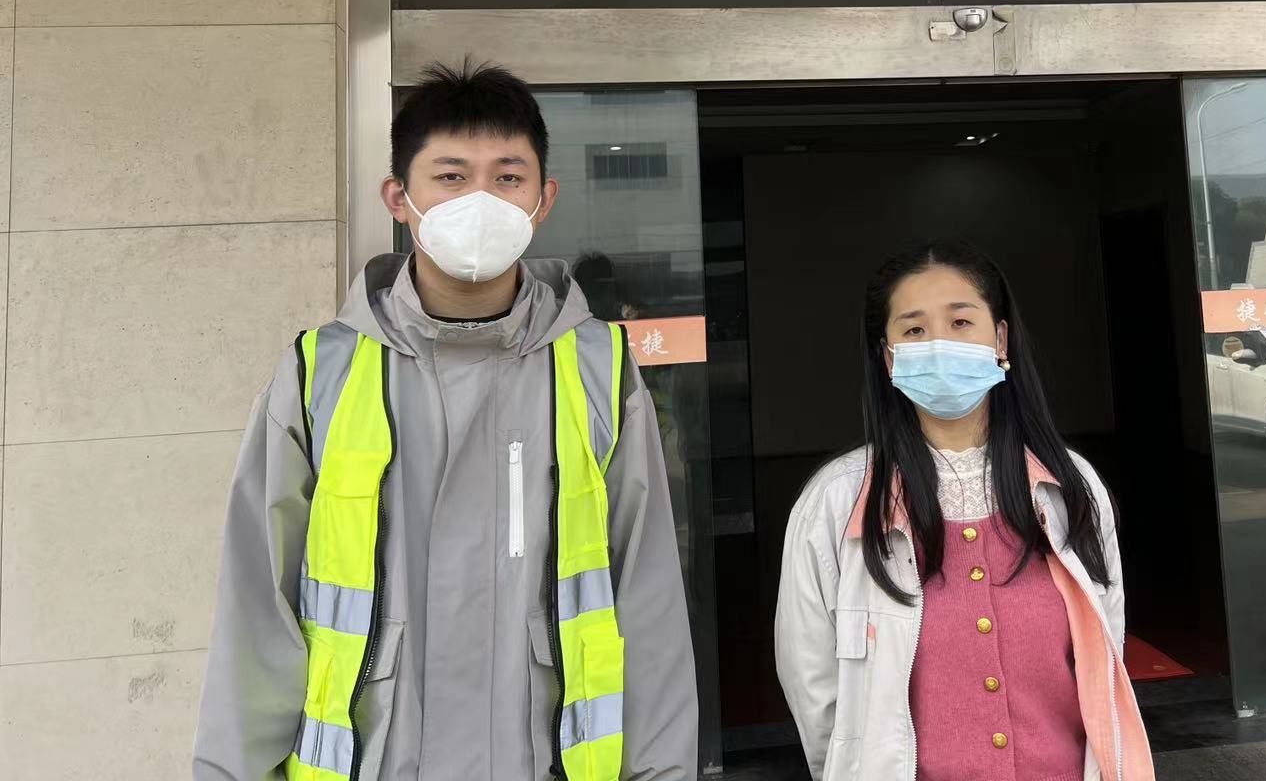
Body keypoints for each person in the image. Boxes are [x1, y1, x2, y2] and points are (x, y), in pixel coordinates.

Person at [194, 61, 697, 780]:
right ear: (399, 198)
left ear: (543, 200)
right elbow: (256, 606)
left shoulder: (599, 369)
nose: (480, 200)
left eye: (508, 177)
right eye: (452, 177)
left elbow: (646, 599)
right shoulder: (320, 373)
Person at [774, 241, 1153, 781]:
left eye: (960, 322)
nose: (939, 344)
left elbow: (1104, 656)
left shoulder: (1069, 486)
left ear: (999, 338)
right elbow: (814, 689)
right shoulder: (836, 502)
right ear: (888, 357)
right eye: (914, 330)